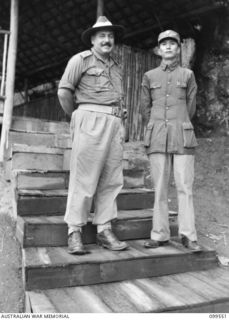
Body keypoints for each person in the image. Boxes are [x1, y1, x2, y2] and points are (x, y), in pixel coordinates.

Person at [58, 16, 128, 254]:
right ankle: (74, 231)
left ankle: (104, 230)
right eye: (102, 36)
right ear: (93, 40)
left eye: (110, 36)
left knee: (111, 179)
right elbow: (64, 92)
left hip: (115, 123)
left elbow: (116, 98)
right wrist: (77, 117)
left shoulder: (117, 67)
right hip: (89, 119)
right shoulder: (80, 60)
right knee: (84, 178)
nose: (107, 40)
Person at [141, 30, 201, 251]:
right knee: (159, 188)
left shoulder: (187, 75)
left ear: (179, 48)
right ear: (158, 49)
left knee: (185, 186)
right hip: (157, 136)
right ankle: (160, 235)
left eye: (172, 44)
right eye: (163, 44)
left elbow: (191, 107)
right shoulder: (149, 76)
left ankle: (188, 235)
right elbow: (144, 109)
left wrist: (178, 121)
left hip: (182, 135)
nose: (167, 47)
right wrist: (157, 125)